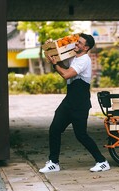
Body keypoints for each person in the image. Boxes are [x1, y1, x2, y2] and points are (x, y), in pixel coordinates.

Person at [39, 33, 110, 173]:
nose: (76, 44)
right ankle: (54, 162)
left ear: (86, 47)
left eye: (79, 43)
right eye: (77, 42)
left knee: (81, 135)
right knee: (54, 129)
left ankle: (102, 161)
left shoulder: (84, 60)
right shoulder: (74, 57)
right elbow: (59, 61)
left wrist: (55, 65)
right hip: (70, 100)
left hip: (80, 103)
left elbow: (66, 74)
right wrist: (50, 48)